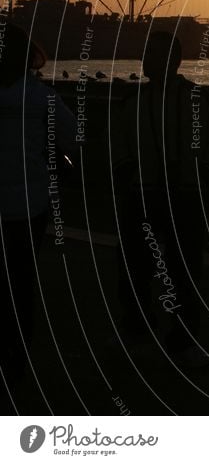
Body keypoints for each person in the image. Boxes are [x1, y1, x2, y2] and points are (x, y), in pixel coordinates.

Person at [111, 31, 209, 363]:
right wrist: (127, 174)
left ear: (172, 61)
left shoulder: (193, 101)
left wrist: (204, 178)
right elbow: (119, 144)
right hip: (148, 192)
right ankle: (141, 333)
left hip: (179, 195)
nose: (146, 60)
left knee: (182, 271)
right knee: (135, 269)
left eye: (153, 54)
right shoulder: (136, 102)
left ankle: (179, 340)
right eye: (147, 53)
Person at [0, 23, 77, 394]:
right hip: (29, 206)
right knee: (21, 284)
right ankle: (15, 361)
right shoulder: (41, 97)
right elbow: (70, 136)